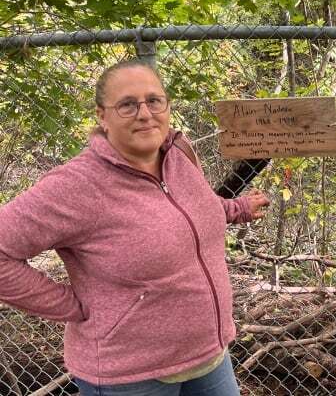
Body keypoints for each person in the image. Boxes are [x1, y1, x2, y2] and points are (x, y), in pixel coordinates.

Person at [0, 59, 270, 395]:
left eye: (154, 101)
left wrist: (237, 208)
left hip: (209, 355)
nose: (144, 114)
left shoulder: (178, 154)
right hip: (131, 375)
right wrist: (75, 307)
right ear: (102, 115)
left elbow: (187, 209)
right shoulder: (77, 186)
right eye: (127, 104)